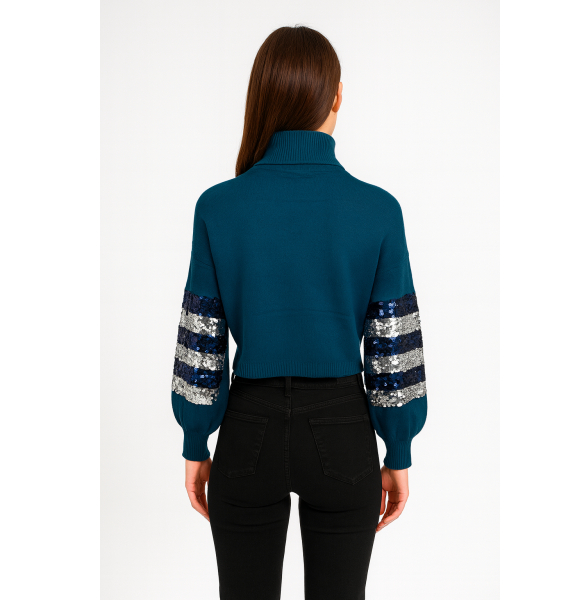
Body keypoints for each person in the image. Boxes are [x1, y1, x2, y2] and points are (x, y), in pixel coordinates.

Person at [170, 25, 427, 600]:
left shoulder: (218, 206)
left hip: (248, 433)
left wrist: (195, 441)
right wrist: (399, 449)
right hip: (343, 435)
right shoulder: (378, 210)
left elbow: (201, 342)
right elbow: (394, 349)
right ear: (337, 96)